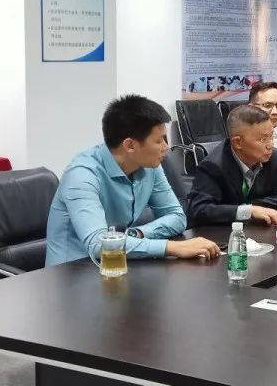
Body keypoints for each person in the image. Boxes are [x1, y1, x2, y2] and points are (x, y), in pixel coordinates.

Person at [46, 95, 220, 266]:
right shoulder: (82, 174)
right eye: (159, 141)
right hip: (73, 271)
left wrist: (138, 234)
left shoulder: (149, 166)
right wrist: (172, 247)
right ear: (130, 145)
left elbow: (177, 217)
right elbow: (99, 245)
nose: (166, 148)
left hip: (120, 264)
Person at [187, 105, 277, 226]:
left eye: (271, 137)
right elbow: (199, 209)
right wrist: (249, 211)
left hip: (256, 229)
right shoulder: (213, 166)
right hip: (223, 233)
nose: (270, 145)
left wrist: (250, 208)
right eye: (263, 139)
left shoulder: (274, 157)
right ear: (237, 142)